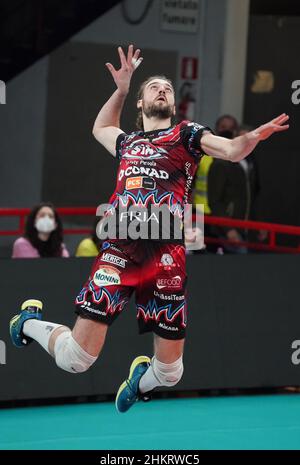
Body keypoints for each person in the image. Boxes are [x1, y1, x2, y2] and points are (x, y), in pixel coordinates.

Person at [9, 45, 289, 413]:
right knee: (76, 360)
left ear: (173, 106)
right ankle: (29, 323)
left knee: (171, 373)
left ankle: (141, 381)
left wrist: (246, 141)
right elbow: (101, 127)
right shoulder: (127, 143)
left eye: (168, 89)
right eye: (153, 87)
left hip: (166, 260)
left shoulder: (187, 136)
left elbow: (231, 149)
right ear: (140, 104)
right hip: (120, 253)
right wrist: (122, 89)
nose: (162, 90)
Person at [208, 119, 262, 253]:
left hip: (244, 228)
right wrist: (229, 229)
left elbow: (251, 197)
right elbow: (215, 201)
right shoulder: (222, 163)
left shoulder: (250, 163)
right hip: (226, 229)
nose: (247, 142)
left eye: (251, 138)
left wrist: (258, 224)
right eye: (243, 137)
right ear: (235, 138)